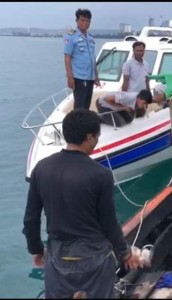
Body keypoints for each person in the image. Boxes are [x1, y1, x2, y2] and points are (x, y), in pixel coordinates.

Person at [22, 109, 142, 298]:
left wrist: (35, 248)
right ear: (89, 137)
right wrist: (125, 252)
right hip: (94, 259)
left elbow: (31, 218)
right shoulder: (100, 175)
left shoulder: (41, 168)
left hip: (57, 257)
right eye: (97, 137)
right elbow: (109, 223)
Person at [64, 8, 100, 110]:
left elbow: (92, 58)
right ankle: (76, 125)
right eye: (82, 20)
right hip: (79, 77)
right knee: (79, 105)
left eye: (88, 21)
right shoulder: (71, 36)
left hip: (90, 77)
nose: (85, 23)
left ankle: (84, 124)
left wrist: (96, 76)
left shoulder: (90, 38)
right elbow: (67, 57)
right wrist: (69, 77)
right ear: (77, 21)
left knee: (86, 105)